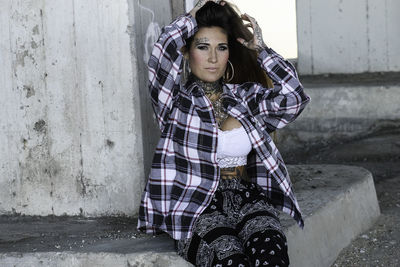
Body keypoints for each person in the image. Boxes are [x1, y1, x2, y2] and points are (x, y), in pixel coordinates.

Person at [138, 1, 310, 266]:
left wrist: (262, 50)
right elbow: (162, 55)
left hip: (247, 198)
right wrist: (191, 17)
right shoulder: (174, 103)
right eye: (202, 47)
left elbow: (294, 98)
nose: (213, 58)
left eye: (222, 47)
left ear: (230, 52)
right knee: (230, 259)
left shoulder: (245, 97)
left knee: (272, 258)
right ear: (187, 51)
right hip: (196, 207)